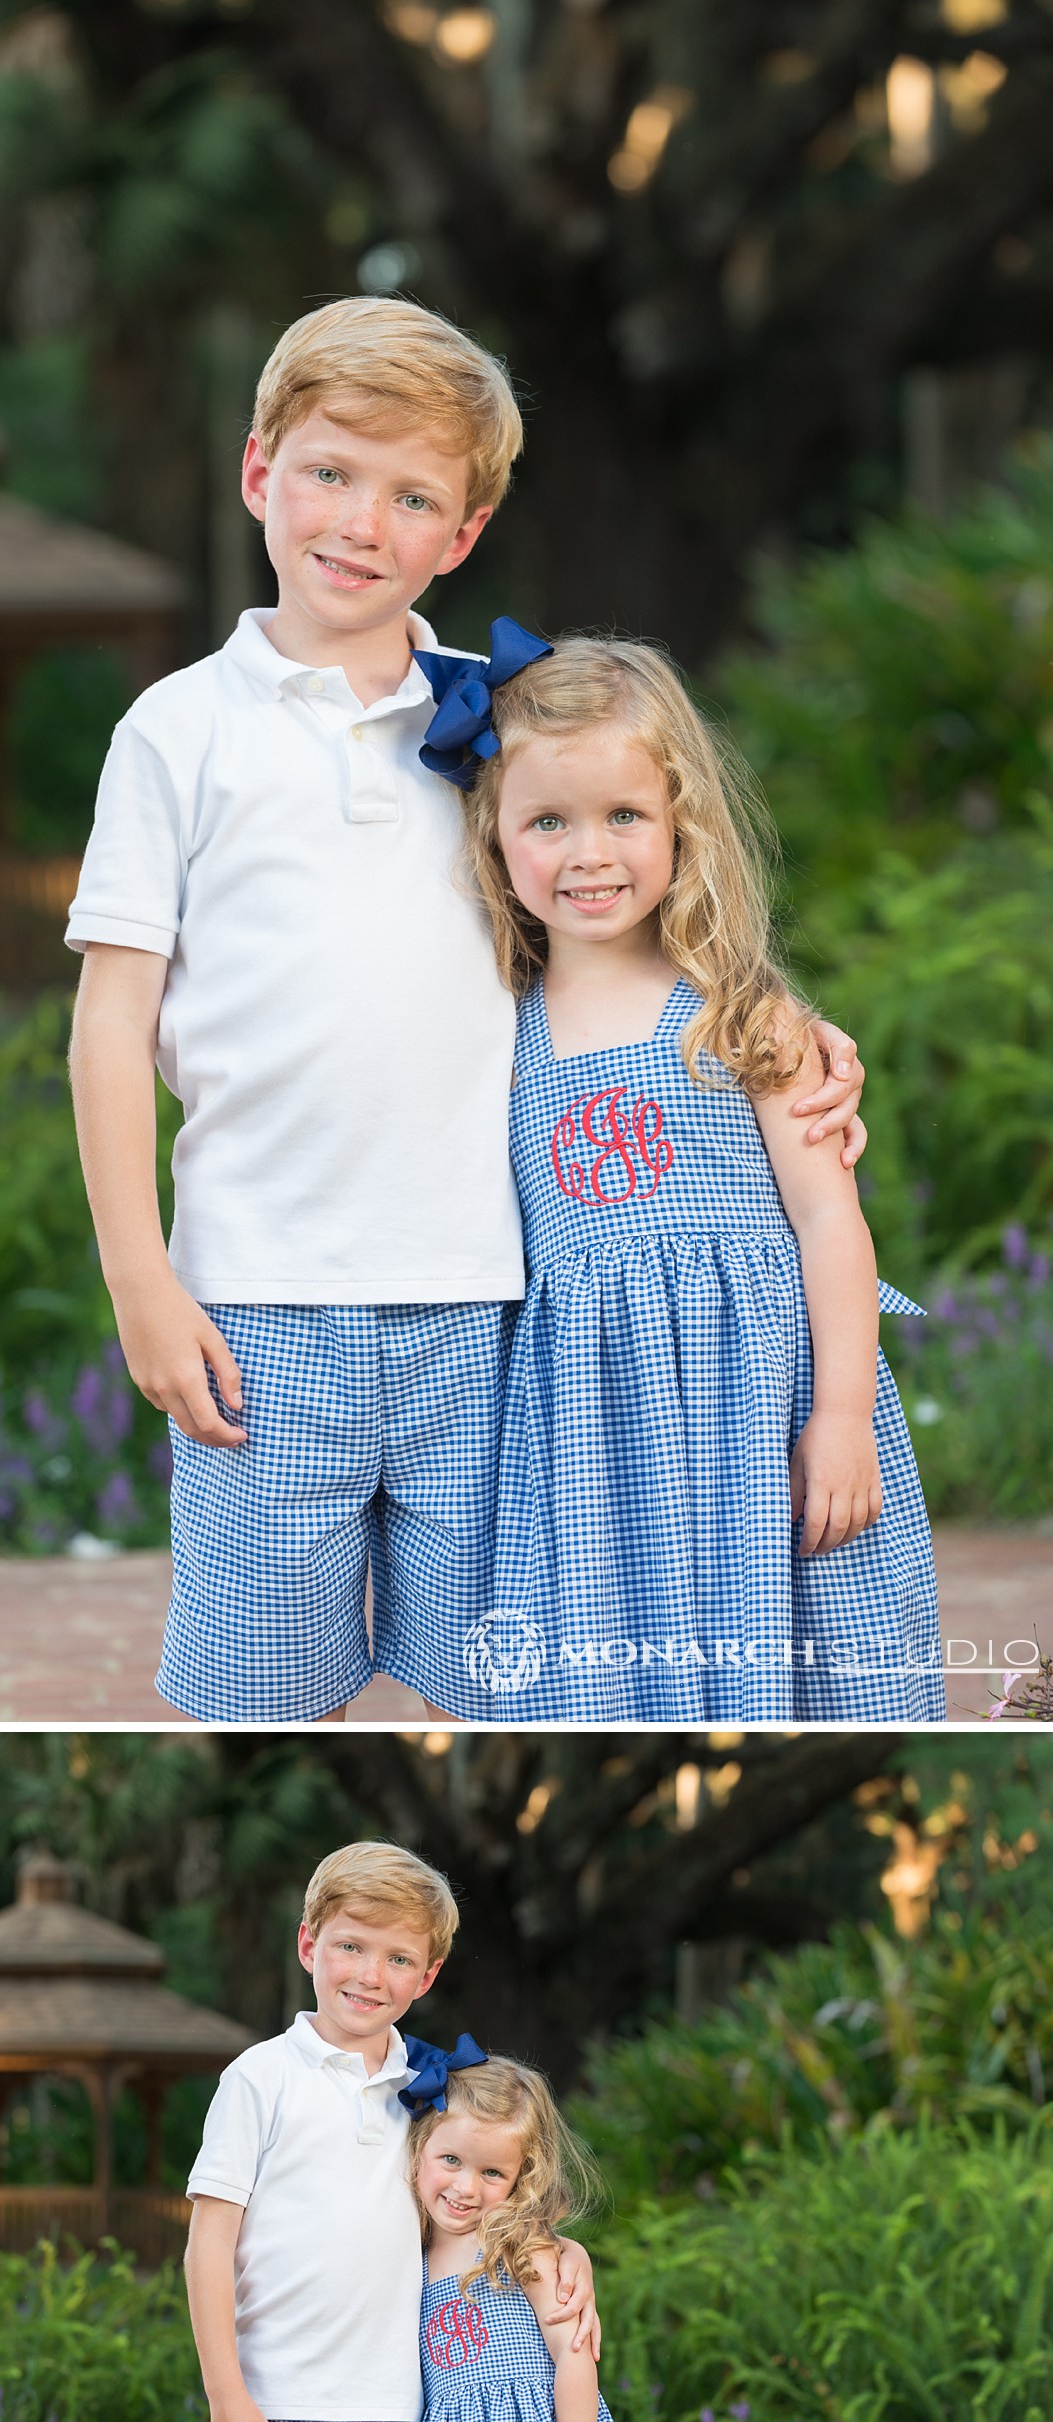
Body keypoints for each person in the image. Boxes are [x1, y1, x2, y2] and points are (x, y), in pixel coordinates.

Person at [66, 295, 867, 1723]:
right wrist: (141, 1277)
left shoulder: (497, 725)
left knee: (497, 1684)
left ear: (464, 532)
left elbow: (623, 879)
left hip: (494, 1308)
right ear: (259, 473)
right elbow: (110, 1024)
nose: (360, 522)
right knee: (261, 1689)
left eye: (411, 495)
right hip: (261, 1303)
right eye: (328, 473)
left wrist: (770, 1021)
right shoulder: (178, 732)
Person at [416, 632, 943, 1722]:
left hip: (763, 1405)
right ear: (494, 836)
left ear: (679, 822)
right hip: (591, 1434)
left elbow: (827, 1223)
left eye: (623, 816)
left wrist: (840, 1413)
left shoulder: (742, 1014)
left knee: (801, 1649)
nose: (587, 852)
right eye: (547, 821)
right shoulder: (491, 1034)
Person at [183, 1840, 599, 2422]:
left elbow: (473, 2200)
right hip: (280, 2410)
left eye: (398, 1958)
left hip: (403, 2418)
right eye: (351, 1946)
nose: (371, 1975)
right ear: (308, 1946)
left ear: (427, 1977)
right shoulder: (260, 2079)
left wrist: (563, 2250)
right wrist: (225, 2394)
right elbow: (209, 2243)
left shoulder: (432, 2089)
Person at [406, 2051, 630, 2422]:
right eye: (450, 2159)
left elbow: (574, 2354)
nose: (466, 2188)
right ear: (419, 2149)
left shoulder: (516, 2240)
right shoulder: (412, 2253)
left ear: (520, 2176)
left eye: (492, 2172)